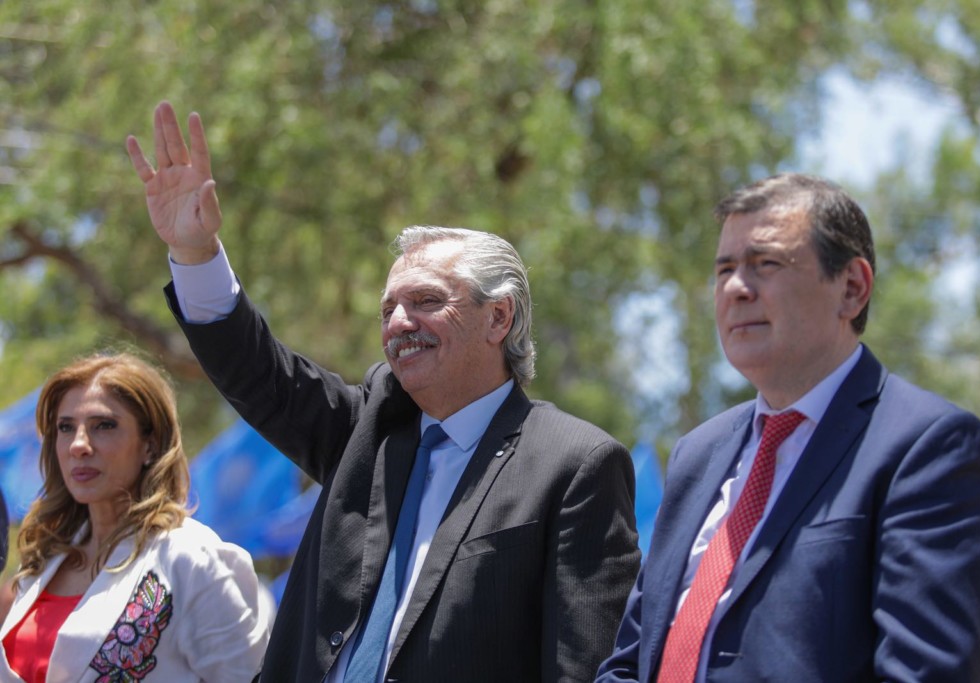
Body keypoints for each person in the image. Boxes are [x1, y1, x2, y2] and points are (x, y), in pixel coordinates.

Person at [125, 101, 641, 683]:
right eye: (389, 308)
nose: (399, 323)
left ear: (498, 318)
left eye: (425, 302)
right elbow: (260, 374)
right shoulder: (370, 427)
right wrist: (195, 254)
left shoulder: (573, 465)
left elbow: (581, 665)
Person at [596, 173, 980, 683]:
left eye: (766, 264)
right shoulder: (696, 454)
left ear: (852, 288)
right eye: (724, 269)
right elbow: (631, 661)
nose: (736, 289)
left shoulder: (929, 448)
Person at [0, 353, 269, 682]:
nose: (79, 445)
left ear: (150, 446)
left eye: (104, 426)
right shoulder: (45, 559)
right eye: (66, 427)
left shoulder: (192, 559)